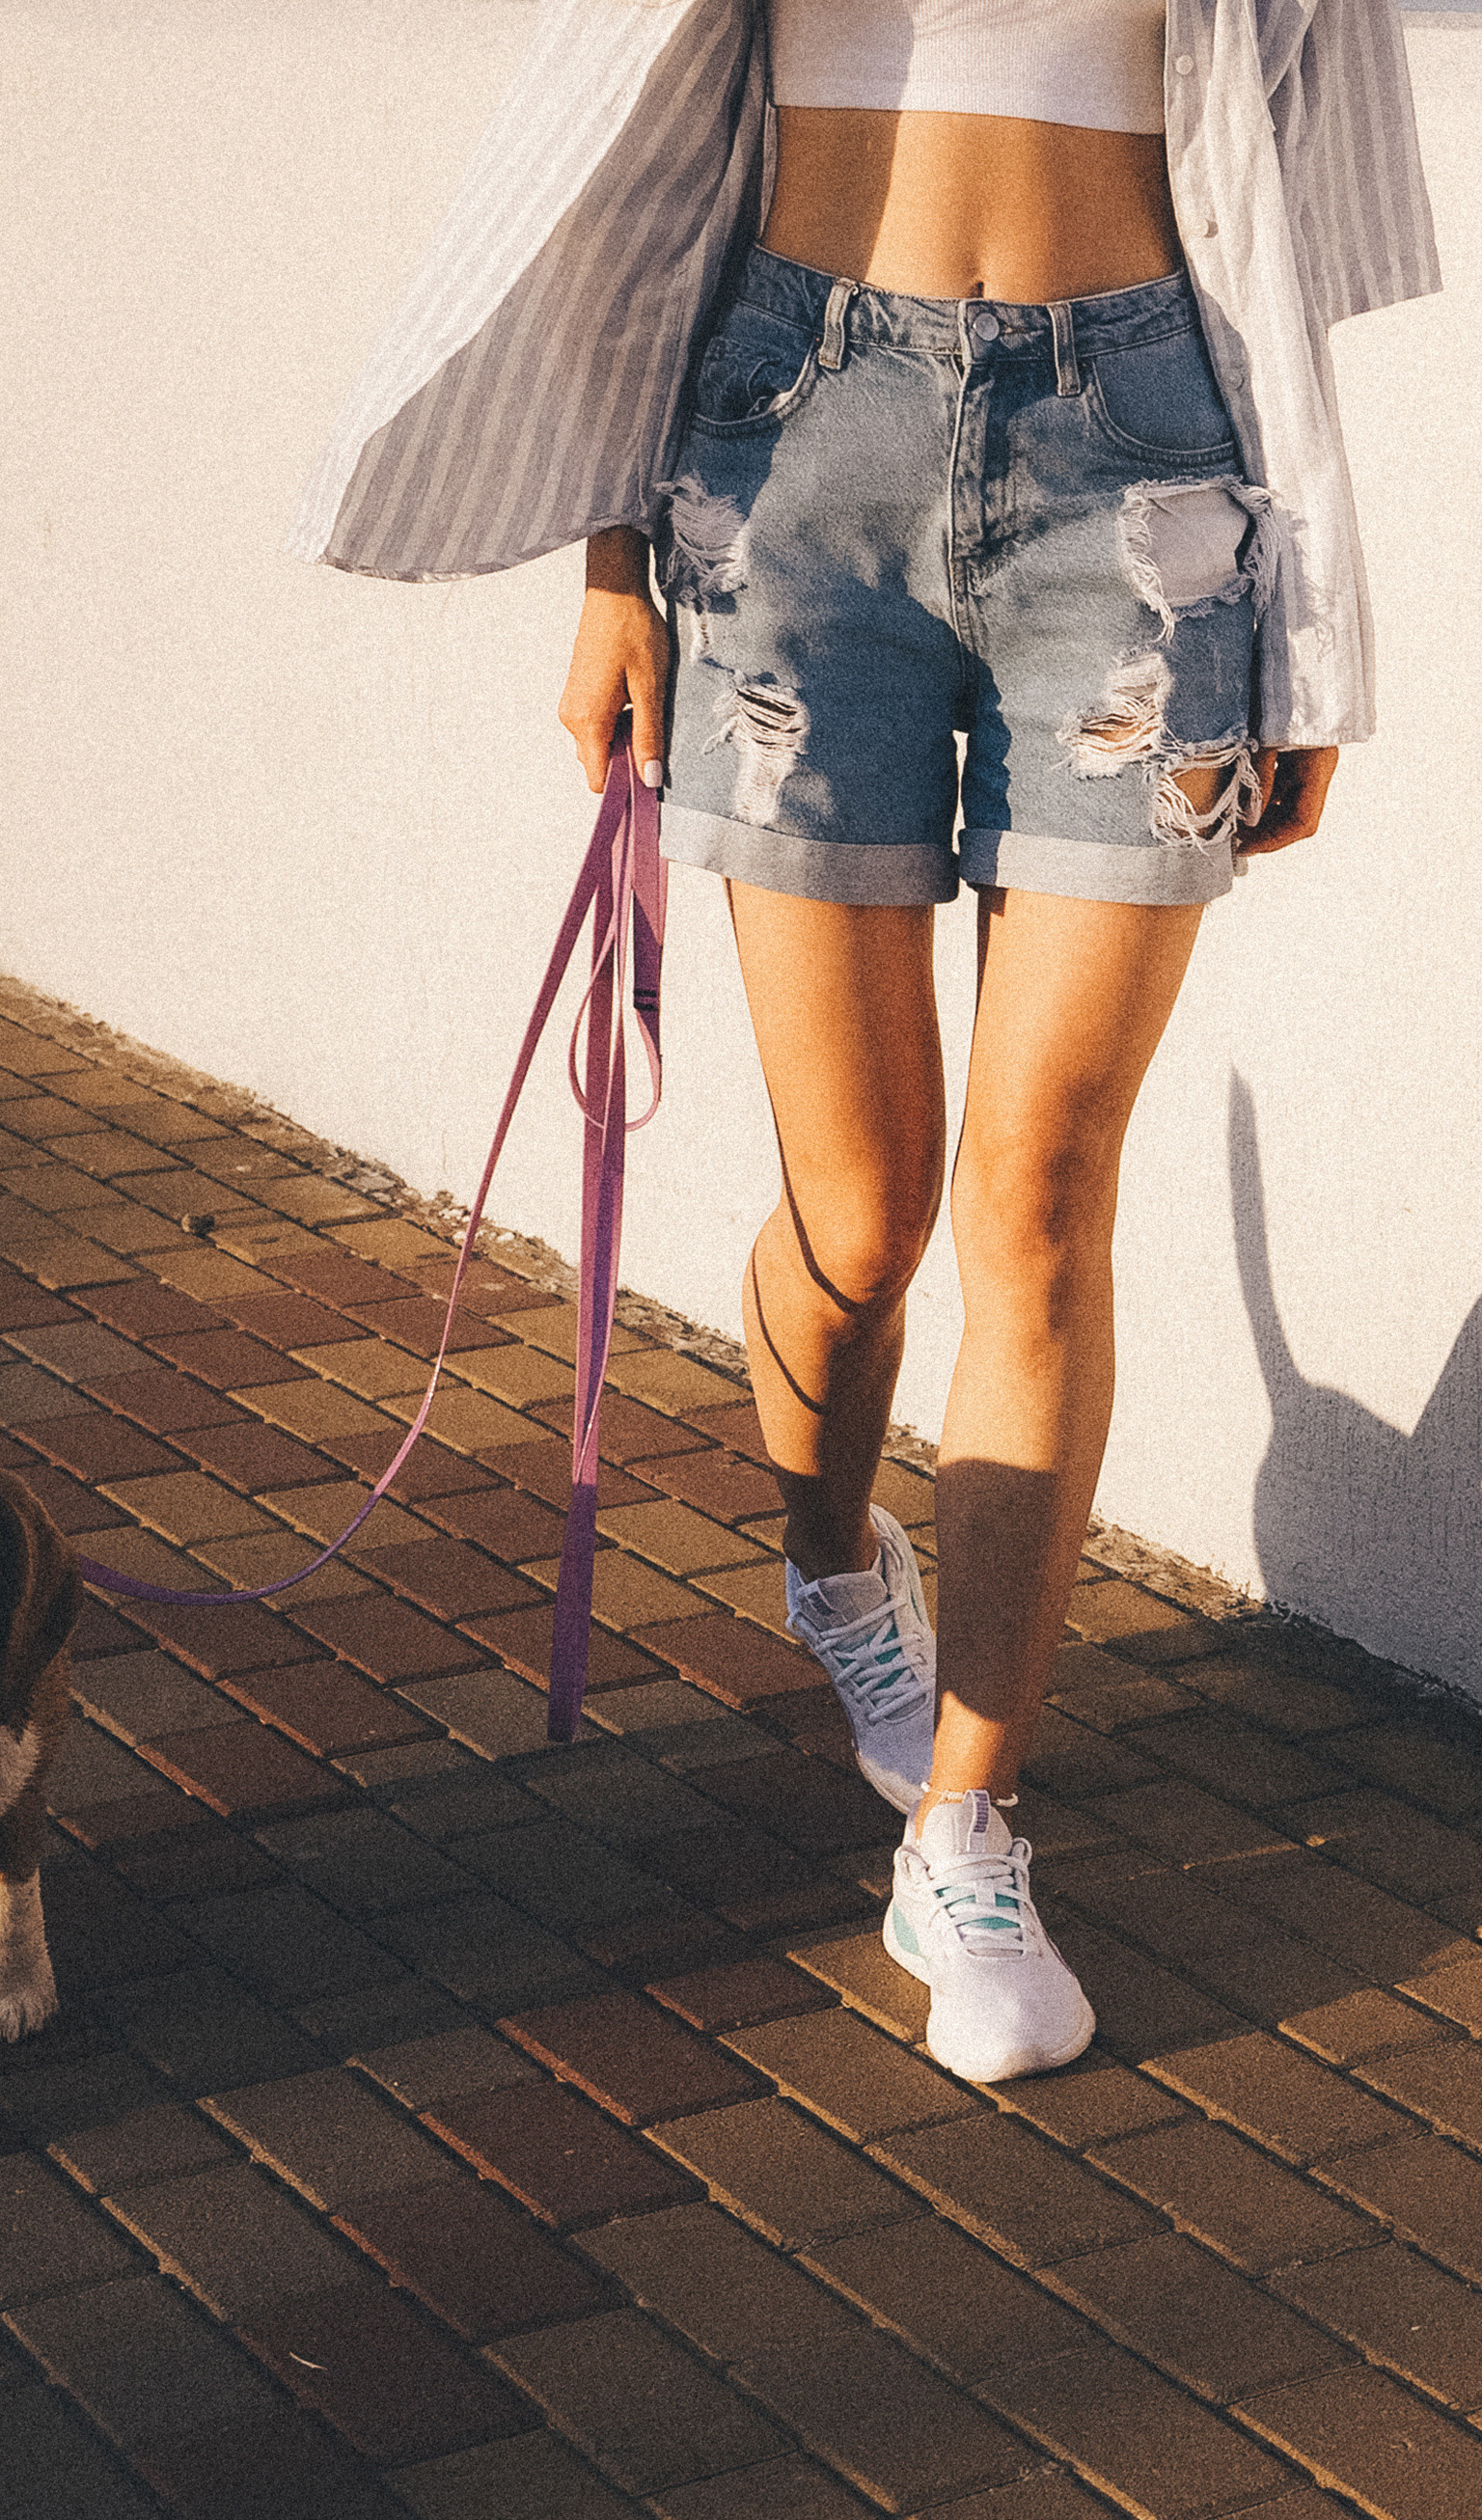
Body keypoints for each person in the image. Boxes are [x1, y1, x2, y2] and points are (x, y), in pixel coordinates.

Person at [292, 0, 1438, 2080]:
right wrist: (611, 568)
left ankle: (969, 1825)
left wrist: (1312, 631)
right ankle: (834, 1564)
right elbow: (644, 188)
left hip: (1144, 464)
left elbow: (1281, 220)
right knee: (864, 1212)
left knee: (1041, 1191)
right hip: (796, 446)